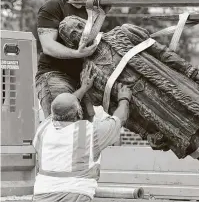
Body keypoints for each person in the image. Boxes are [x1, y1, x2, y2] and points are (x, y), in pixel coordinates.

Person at [32, 64, 132, 202]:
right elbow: (120, 118)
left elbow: (62, 106)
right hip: (76, 195)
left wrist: (84, 88)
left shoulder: (43, 130)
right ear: (79, 112)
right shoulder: (89, 133)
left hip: (42, 195)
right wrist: (124, 99)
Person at [36, 0, 99, 121]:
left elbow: (92, 40)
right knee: (62, 124)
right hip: (54, 75)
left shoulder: (90, 11)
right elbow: (48, 46)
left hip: (81, 81)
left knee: (84, 131)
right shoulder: (52, 7)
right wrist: (77, 54)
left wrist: (101, 14)